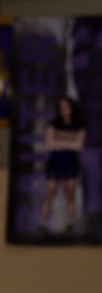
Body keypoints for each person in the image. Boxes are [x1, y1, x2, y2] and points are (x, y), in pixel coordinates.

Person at [40, 95, 87, 236]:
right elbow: (49, 144)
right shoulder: (54, 125)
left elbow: (79, 146)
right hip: (55, 164)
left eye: (66, 107)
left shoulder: (79, 126)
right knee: (49, 195)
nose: (64, 110)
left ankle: (69, 224)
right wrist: (69, 144)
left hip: (70, 165)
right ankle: (42, 225)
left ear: (72, 108)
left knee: (70, 196)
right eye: (61, 108)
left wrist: (59, 143)